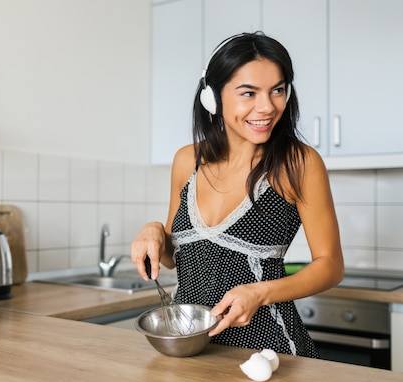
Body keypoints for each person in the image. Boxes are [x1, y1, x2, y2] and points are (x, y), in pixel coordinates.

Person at [130, 31, 344, 357]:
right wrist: (154, 230)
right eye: (249, 93)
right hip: (194, 352)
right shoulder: (187, 161)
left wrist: (260, 293)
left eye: (278, 90)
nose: (267, 106)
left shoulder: (298, 164)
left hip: (271, 354)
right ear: (212, 98)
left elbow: (330, 265)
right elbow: (176, 258)